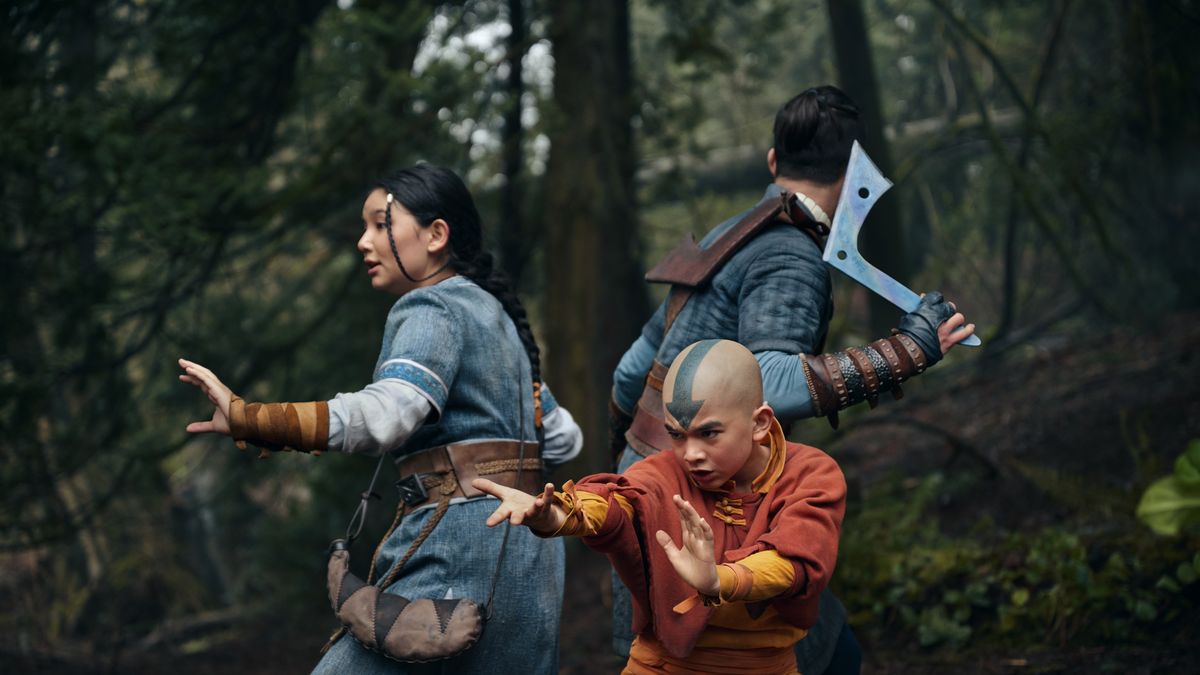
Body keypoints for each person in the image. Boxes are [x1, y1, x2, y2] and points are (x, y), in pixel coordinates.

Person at [607, 85, 977, 673]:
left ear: (774, 160)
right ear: (852, 173)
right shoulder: (788, 254)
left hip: (652, 487)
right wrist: (905, 352)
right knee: (800, 656)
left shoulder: (726, 235)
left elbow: (632, 373)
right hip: (705, 507)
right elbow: (772, 380)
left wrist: (635, 463)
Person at [178, 164, 582, 674]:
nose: (363, 241)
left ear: (436, 235)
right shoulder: (498, 316)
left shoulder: (432, 305)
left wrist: (253, 419)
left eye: (380, 223)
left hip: (459, 552)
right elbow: (564, 439)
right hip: (533, 554)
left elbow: (389, 414)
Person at [477, 339, 846, 674]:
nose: (690, 454)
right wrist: (558, 514)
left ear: (760, 423)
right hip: (661, 666)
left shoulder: (810, 473)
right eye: (676, 435)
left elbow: (798, 560)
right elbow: (618, 501)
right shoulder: (662, 471)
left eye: (708, 433)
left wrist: (721, 580)